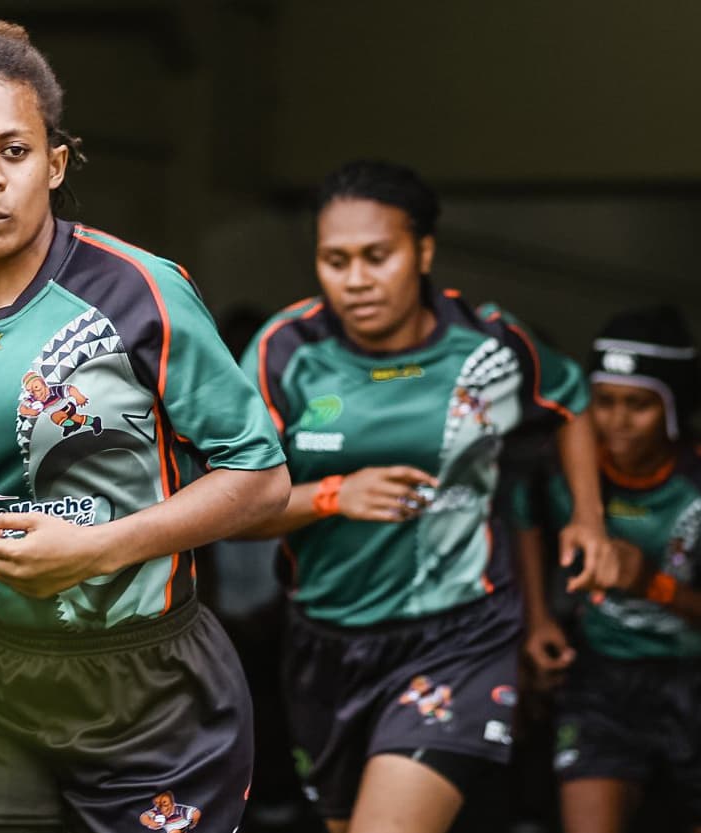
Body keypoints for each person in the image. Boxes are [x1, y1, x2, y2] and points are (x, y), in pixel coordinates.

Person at [0, 20, 290, 833]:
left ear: (55, 163)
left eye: (14, 150)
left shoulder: (142, 291)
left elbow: (259, 479)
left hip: (149, 683)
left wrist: (99, 549)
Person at [238, 159, 615, 833]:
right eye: (335, 260)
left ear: (424, 252)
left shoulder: (489, 342)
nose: (355, 280)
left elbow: (570, 401)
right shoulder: (284, 350)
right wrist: (332, 494)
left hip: (461, 635)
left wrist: (588, 519)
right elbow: (230, 506)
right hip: (325, 644)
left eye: (377, 257)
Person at [512, 306, 701, 833]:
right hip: (601, 683)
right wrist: (539, 621)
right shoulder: (563, 471)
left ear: (674, 407)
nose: (617, 420)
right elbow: (523, 523)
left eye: (638, 405)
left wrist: (652, 584)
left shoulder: (695, 484)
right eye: (604, 402)